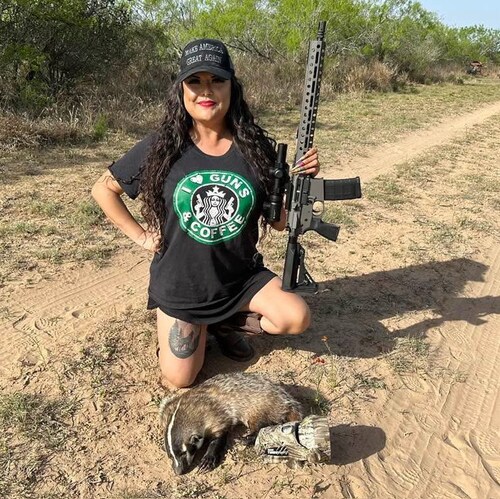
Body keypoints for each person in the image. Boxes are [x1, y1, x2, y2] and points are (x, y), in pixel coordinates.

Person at [91, 39, 320, 389]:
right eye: (195, 81)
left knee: (295, 317)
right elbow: (103, 189)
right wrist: (141, 236)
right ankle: (200, 327)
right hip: (184, 286)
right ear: (181, 89)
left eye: (217, 80)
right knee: (179, 378)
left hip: (239, 278)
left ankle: (224, 324)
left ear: (232, 87)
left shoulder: (257, 149)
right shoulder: (161, 146)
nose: (206, 91)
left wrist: (302, 182)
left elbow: (278, 222)